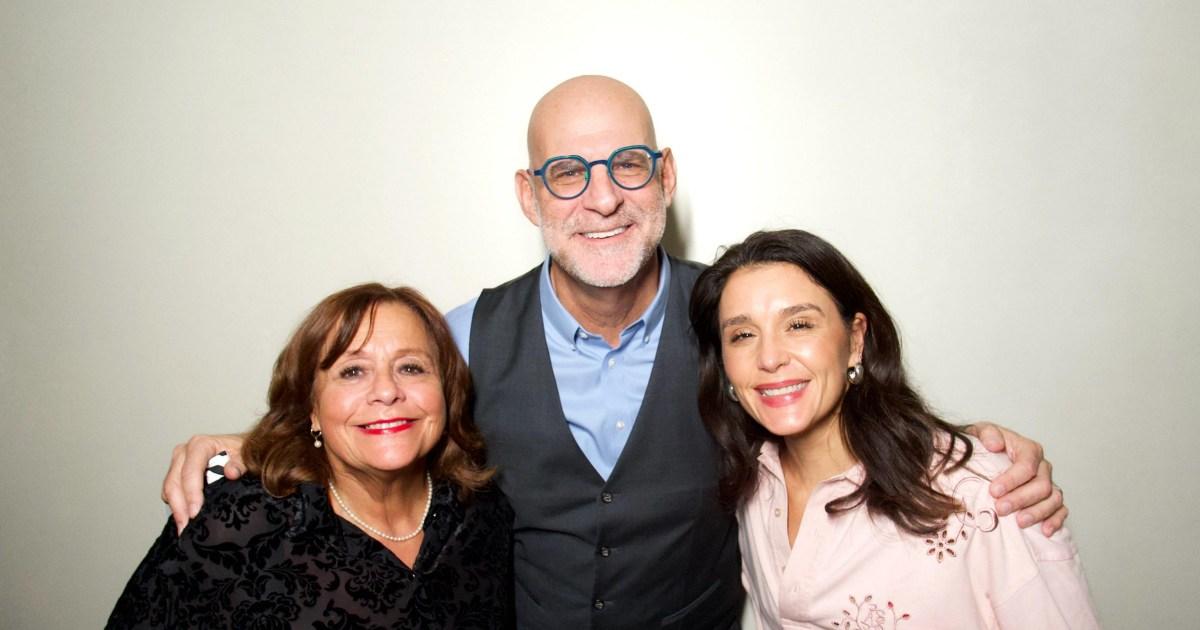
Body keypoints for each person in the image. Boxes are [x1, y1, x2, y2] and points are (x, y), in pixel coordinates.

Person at [157, 76, 1066, 628]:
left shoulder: (732, 321)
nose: (601, 199)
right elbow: (378, 417)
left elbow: (826, 399)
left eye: (628, 165)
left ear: (664, 177)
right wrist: (255, 449)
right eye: (567, 173)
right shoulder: (459, 338)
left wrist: (978, 454)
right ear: (530, 195)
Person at [689, 229, 1098, 629]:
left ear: (855, 340)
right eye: (743, 335)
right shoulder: (752, 486)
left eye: (799, 325)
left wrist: (984, 461)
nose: (769, 357)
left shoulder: (986, 493)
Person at [109, 284, 512, 629]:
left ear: (446, 392)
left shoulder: (483, 514)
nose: (387, 391)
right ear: (312, 409)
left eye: (410, 368)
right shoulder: (235, 525)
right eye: (352, 371)